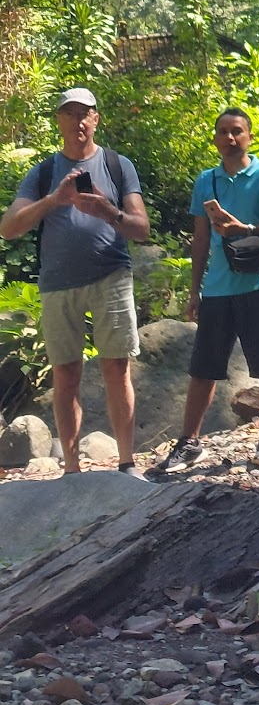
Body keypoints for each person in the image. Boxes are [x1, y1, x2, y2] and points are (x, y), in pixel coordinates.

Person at [0, 87, 150, 475]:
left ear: (96, 119)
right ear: (59, 121)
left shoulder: (118, 165)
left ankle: (127, 462)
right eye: (70, 114)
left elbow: (141, 229)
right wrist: (56, 199)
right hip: (57, 283)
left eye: (85, 113)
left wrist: (108, 210)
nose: (78, 121)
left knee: (116, 369)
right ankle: (70, 469)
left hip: (111, 275)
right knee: (66, 374)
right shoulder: (44, 172)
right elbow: (9, 229)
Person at [163, 108, 259, 471]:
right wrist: (195, 290)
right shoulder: (207, 181)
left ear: (249, 136)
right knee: (204, 366)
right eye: (223, 131)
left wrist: (248, 227)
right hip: (219, 287)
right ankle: (189, 443)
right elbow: (201, 238)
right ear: (215, 139)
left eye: (237, 131)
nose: (230, 137)